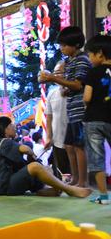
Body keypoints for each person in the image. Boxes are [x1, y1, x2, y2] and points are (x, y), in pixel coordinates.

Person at [0, 116, 91, 198]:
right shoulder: (2, 142)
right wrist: (31, 153)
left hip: (9, 183)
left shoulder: (2, 143)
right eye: (11, 125)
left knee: (44, 169)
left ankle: (51, 189)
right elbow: (25, 149)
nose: (15, 126)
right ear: (5, 130)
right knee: (35, 166)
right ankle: (69, 189)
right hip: (4, 187)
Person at [38, 26, 91, 187]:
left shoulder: (82, 60)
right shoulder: (69, 62)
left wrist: (53, 79)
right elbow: (71, 87)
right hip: (72, 111)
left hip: (81, 110)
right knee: (69, 146)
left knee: (79, 147)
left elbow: (77, 84)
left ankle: (83, 181)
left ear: (75, 44)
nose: (61, 48)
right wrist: (60, 85)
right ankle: (75, 179)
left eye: (64, 45)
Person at [83, 34, 111, 204]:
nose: (90, 58)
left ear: (100, 53)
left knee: (96, 157)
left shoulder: (93, 72)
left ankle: (103, 196)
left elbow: (87, 97)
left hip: (94, 120)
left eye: (90, 54)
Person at [44, 60, 69, 174]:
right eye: (54, 73)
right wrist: (49, 137)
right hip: (58, 139)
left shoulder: (76, 91)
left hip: (74, 139)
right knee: (62, 171)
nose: (55, 76)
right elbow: (49, 117)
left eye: (59, 72)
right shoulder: (52, 93)